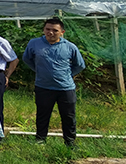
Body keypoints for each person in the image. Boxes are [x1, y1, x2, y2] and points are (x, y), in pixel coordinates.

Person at [22, 17, 85, 147]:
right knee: (42, 115)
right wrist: (39, 71)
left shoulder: (69, 47)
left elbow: (79, 65)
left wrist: (67, 75)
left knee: (68, 116)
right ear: (44, 30)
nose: (50, 32)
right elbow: (27, 59)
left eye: (55, 30)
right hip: (43, 86)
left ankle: (70, 142)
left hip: (65, 88)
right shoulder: (34, 43)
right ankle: (40, 139)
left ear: (62, 32)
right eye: (47, 29)